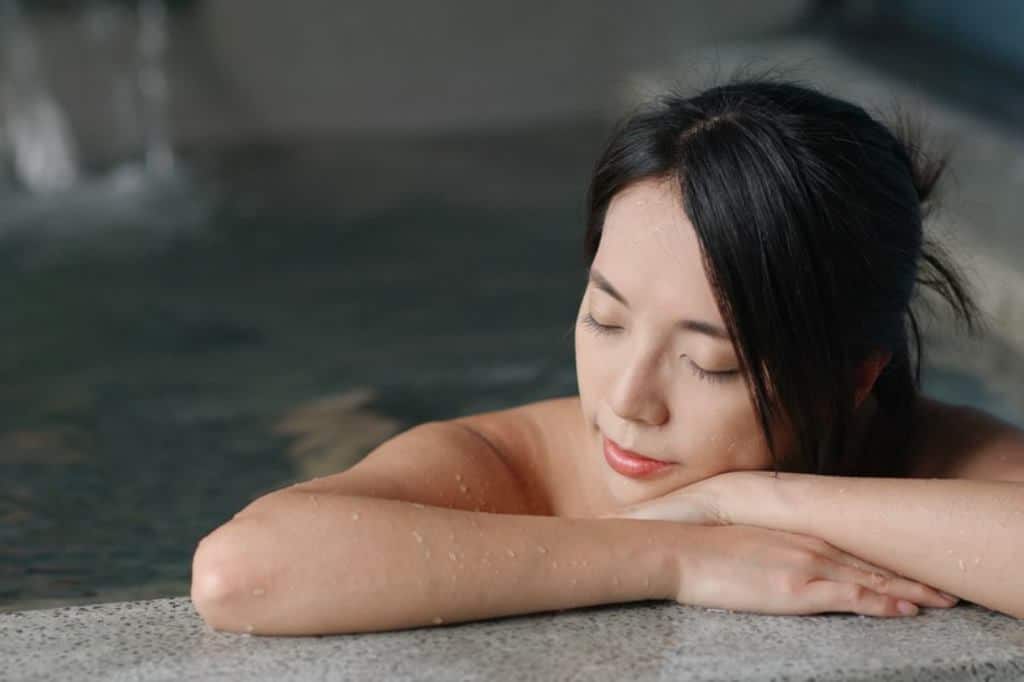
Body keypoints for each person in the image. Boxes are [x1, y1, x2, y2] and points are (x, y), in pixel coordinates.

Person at [190, 74, 1024, 635]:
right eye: (605, 319)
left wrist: (746, 501)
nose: (628, 400)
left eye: (713, 364)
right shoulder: (506, 465)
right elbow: (242, 571)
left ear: (854, 381)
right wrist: (677, 553)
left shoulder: (933, 453)